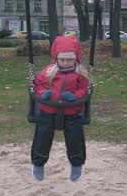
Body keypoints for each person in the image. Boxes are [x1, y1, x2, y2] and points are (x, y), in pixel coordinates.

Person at [31, 35, 89, 182]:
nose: (65, 63)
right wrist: (43, 93)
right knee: (42, 137)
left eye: (70, 59)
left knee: (75, 138)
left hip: (72, 112)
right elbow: (38, 85)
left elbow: (84, 88)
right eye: (62, 59)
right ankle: (38, 163)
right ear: (56, 58)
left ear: (76, 58)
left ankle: (77, 164)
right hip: (48, 110)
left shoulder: (80, 73)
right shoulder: (49, 71)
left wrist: (75, 96)